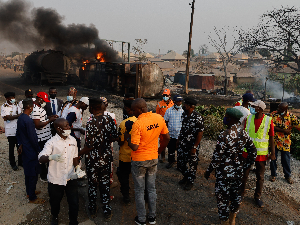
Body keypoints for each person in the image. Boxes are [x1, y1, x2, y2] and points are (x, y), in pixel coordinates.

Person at [204, 108, 257, 225]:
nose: (224, 118)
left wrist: (208, 171)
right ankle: (232, 219)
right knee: (236, 196)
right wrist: (246, 166)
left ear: (231, 119)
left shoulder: (223, 135)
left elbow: (217, 157)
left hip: (224, 173)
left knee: (222, 198)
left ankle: (224, 220)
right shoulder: (243, 133)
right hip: (239, 172)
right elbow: (253, 150)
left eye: (226, 116)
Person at [127, 98, 170, 225]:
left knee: (140, 190)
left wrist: (129, 139)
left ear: (140, 109)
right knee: (151, 189)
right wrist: (158, 151)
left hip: (139, 161)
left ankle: (141, 219)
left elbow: (134, 146)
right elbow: (166, 137)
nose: (133, 112)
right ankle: (152, 217)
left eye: (134, 110)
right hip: (153, 159)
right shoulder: (158, 118)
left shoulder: (138, 123)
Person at [38, 118, 84, 225]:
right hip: (56, 178)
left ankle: (73, 221)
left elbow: (75, 157)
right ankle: (55, 216)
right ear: (58, 129)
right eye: (66, 126)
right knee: (55, 201)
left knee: (74, 202)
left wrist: (77, 168)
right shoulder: (52, 142)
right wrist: (51, 157)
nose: (69, 128)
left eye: (68, 125)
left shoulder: (72, 140)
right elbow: (41, 158)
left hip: (70, 177)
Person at [79, 98, 118, 222]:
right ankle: (106, 209)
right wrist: (105, 141)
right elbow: (114, 137)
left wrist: (78, 154)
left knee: (92, 184)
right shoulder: (110, 119)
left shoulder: (91, 123)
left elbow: (89, 146)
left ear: (92, 108)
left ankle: (92, 208)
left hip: (93, 160)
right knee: (105, 184)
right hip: (106, 158)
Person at [241, 100, 275, 208]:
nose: (252, 107)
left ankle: (257, 197)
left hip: (261, 154)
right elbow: (243, 134)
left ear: (259, 108)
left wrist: (272, 153)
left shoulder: (268, 120)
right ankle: (241, 194)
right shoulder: (248, 119)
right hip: (247, 152)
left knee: (260, 177)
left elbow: (271, 138)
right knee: (244, 175)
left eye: (254, 106)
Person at [16, 99, 45, 204]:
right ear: (30, 107)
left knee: (27, 172)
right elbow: (33, 138)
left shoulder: (21, 118)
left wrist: (20, 145)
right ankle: (32, 197)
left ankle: (29, 191)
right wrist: (38, 150)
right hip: (30, 150)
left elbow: (18, 133)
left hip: (24, 149)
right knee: (33, 174)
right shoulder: (28, 121)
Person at [177, 97, 204, 191]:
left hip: (192, 145)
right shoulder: (184, 114)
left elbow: (200, 133)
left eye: (186, 105)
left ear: (191, 106)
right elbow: (182, 128)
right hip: (183, 143)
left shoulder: (198, 117)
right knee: (180, 164)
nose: (184, 106)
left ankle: (190, 181)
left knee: (192, 165)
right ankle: (186, 176)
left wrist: (195, 147)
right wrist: (178, 140)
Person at [270, 102, 300, 184]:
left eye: (280, 109)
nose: (278, 110)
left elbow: (298, 126)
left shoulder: (291, 117)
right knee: (273, 159)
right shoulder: (274, 114)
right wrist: (284, 130)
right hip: (274, 141)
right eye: (278, 108)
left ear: (285, 109)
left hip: (285, 142)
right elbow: (271, 126)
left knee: (286, 160)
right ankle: (273, 174)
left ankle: (287, 176)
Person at [32, 92, 57, 182]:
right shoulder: (35, 109)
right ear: (40, 99)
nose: (45, 102)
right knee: (42, 155)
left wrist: (50, 117)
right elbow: (38, 124)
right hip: (41, 137)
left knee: (47, 154)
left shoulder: (39, 107)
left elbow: (42, 118)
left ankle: (45, 172)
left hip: (45, 135)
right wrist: (50, 120)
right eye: (44, 100)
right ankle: (43, 175)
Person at [117, 99, 137, 204]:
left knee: (124, 176)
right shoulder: (140, 121)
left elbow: (120, 142)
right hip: (138, 156)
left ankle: (126, 196)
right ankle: (145, 196)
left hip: (125, 156)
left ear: (128, 109)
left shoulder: (123, 124)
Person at [1, 92, 22, 170]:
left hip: (18, 129)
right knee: (11, 148)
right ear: (6, 99)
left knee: (19, 146)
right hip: (10, 131)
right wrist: (18, 116)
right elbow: (7, 117)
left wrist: (11, 117)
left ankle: (20, 162)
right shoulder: (3, 107)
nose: (12, 99)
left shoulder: (17, 105)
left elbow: (10, 117)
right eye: (10, 98)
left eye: (13, 97)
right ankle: (13, 163)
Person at [164, 95, 184, 169]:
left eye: (180, 101)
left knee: (180, 150)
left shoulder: (183, 111)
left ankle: (179, 165)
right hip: (171, 134)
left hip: (180, 135)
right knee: (171, 149)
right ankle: (171, 161)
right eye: (178, 101)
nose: (179, 103)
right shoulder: (169, 110)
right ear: (174, 102)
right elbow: (165, 122)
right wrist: (166, 133)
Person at [156, 89, 174, 162]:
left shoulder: (173, 104)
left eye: (166, 95)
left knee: (171, 141)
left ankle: (171, 158)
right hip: (162, 125)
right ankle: (162, 157)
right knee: (162, 141)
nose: (165, 96)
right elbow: (157, 115)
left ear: (169, 95)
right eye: (164, 95)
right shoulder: (159, 104)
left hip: (171, 125)